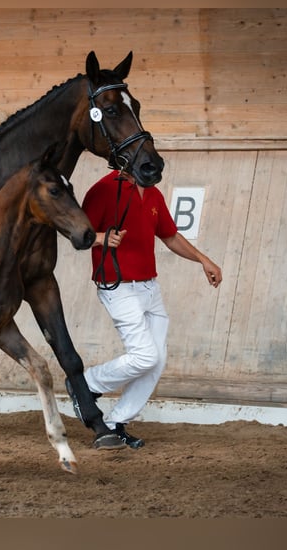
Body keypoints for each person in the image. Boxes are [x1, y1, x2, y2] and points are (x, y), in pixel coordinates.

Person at [66, 167, 222, 449]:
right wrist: (102, 238)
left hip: (150, 287)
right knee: (145, 356)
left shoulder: (152, 192)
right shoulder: (103, 190)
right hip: (118, 286)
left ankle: (115, 423)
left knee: (157, 360)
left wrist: (203, 260)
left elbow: (170, 236)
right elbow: (77, 232)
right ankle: (86, 384)